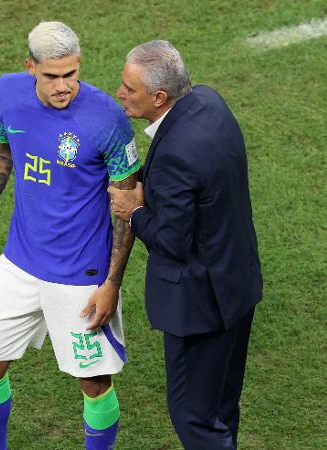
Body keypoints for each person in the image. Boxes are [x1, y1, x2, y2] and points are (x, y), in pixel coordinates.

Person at [0, 21, 139, 450]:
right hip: (20, 263)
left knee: (94, 383)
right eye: (52, 76)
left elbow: (129, 205)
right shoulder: (6, 93)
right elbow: (0, 153)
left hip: (82, 275)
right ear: (30, 68)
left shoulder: (108, 119)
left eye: (71, 74)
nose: (64, 87)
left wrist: (111, 284)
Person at [108, 40, 263, 450]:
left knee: (194, 418)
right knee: (221, 408)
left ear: (160, 97)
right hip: (236, 286)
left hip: (201, 307)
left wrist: (134, 210)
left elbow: (173, 243)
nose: (120, 94)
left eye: (129, 88)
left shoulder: (177, 152)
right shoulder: (209, 102)